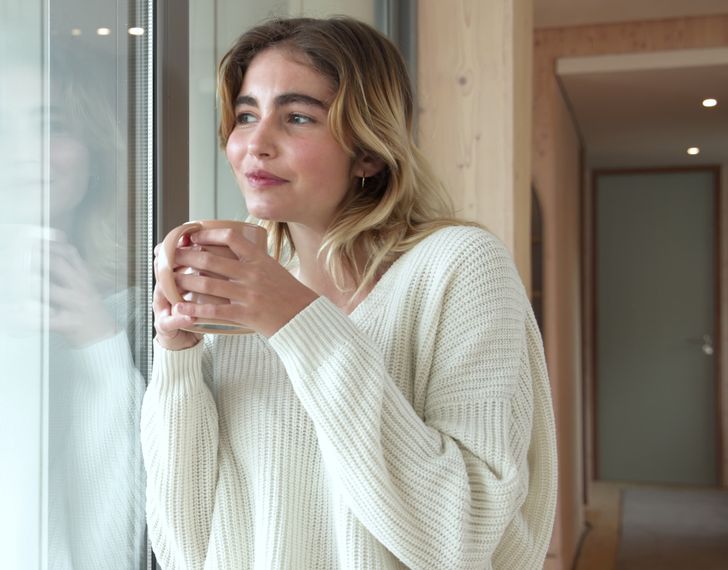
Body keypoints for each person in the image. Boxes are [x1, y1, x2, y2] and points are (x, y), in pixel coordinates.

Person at [142, 16, 557, 569]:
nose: (255, 144)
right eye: (246, 114)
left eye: (296, 117)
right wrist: (178, 356)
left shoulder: (458, 268)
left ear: (367, 151)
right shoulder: (240, 283)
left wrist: (297, 320)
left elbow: (460, 539)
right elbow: (183, 545)